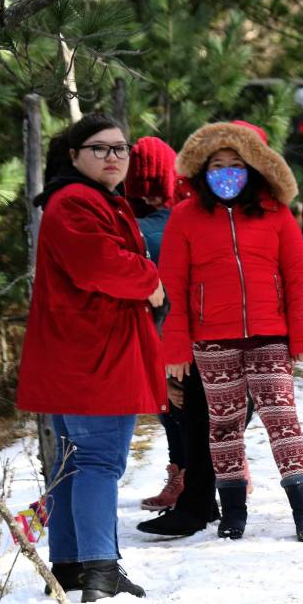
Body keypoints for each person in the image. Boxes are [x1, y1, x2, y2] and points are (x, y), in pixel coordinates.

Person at [17, 113, 166, 602]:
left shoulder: (88, 198)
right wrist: (150, 279)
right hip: (94, 353)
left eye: (120, 148)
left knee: (75, 464)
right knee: (99, 462)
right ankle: (101, 571)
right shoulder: (77, 202)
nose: (113, 157)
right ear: (74, 155)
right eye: (99, 148)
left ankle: (72, 565)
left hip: (84, 349)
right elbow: (100, 264)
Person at [158, 120, 303, 542]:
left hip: (270, 335)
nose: (227, 172)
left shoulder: (277, 214)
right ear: (202, 169)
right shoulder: (185, 217)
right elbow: (172, 285)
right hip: (212, 339)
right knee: (224, 426)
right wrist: (174, 348)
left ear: (253, 168)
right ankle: (233, 513)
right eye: (217, 164)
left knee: (282, 420)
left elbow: (299, 277)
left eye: (236, 163)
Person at [125, 137, 188, 512]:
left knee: (173, 414)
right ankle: (227, 473)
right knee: (196, 413)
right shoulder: (189, 217)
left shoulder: (135, 230)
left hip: (161, 336)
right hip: (199, 333)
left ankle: (182, 478)